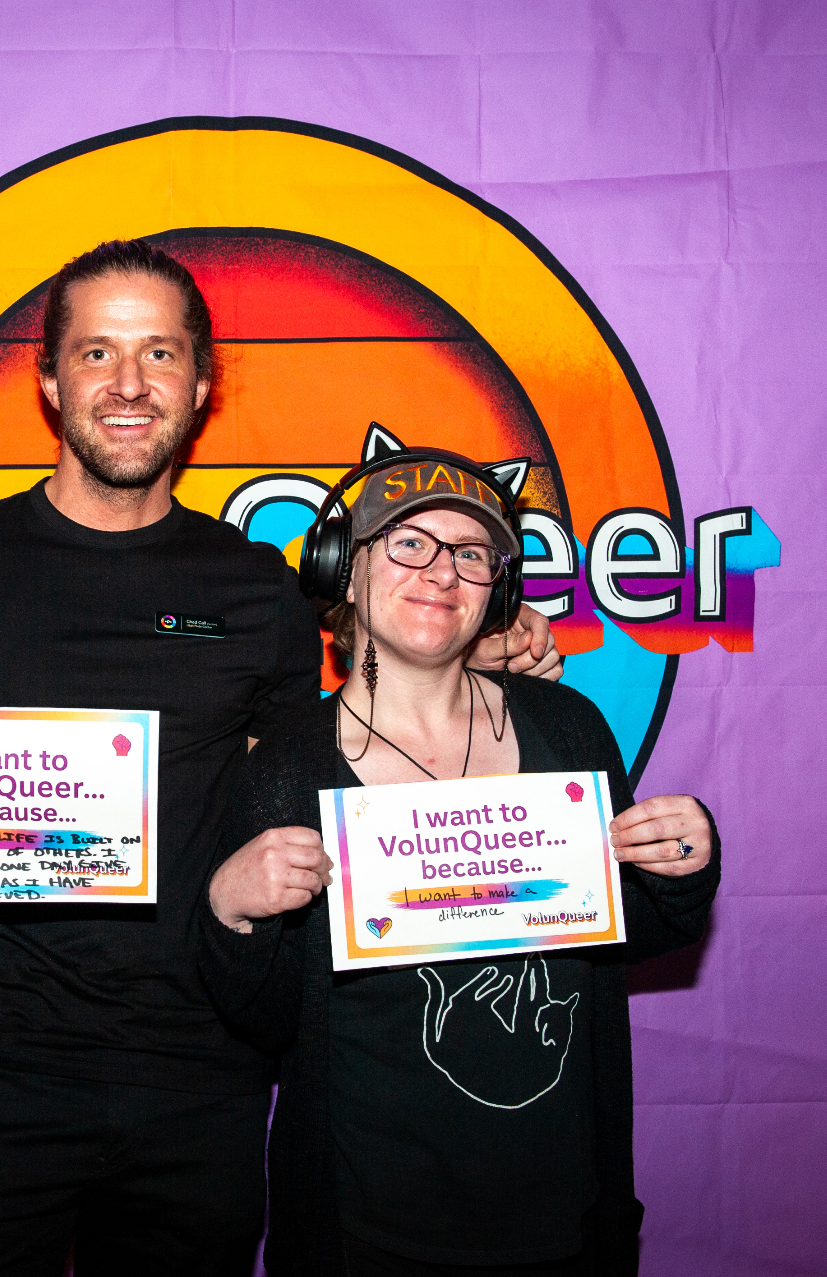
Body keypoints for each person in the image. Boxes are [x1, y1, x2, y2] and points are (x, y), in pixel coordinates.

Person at [0, 239, 564, 1277]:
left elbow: (326, 767)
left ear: (201, 385)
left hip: (202, 1080)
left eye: (159, 354)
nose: (127, 384)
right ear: (48, 376)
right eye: (98, 352)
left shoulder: (257, 587)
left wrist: (470, 654)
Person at [200, 456, 721, 1276]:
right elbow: (261, 1021)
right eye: (409, 543)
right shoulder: (286, 767)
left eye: (471, 553)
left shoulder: (571, 727)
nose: (442, 571)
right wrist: (230, 910)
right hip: (366, 1226)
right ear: (346, 566)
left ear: (497, 592)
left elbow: (622, 933)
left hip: (560, 1214)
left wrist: (680, 868)